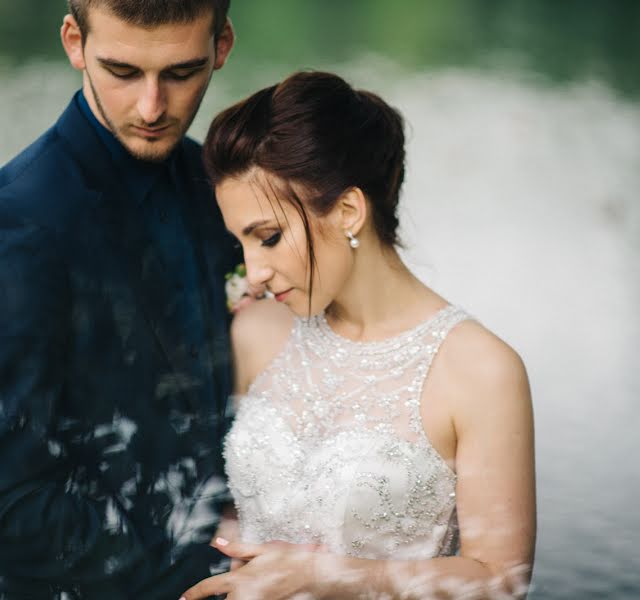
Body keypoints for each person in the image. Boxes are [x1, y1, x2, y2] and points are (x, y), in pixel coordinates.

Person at [182, 71, 536, 599]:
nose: (252, 271)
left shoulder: (481, 371)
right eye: (242, 244)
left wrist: (328, 577)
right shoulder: (256, 332)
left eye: (269, 238)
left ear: (348, 211)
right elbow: (219, 498)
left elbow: (500, 581)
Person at [0, 1, 239, 598]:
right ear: (74, 41)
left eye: (180, 73)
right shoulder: (9, 232)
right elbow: (4, 511)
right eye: (123, 72)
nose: (153, 107)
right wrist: (216, 564)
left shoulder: (224, 189)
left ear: (221, 45)